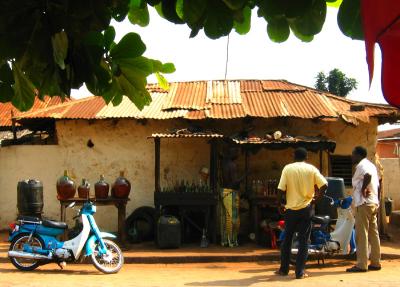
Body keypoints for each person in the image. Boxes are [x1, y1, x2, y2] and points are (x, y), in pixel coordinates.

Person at [276, 147, 327, 279]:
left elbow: (281, 189)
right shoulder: (312, 169)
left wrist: (279, 204)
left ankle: (284, 270)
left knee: (287, 239)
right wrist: (317, 199)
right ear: (307, 157)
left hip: (291, 210)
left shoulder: (288, 168)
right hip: (306, 209)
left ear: (294, 156)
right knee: (304, 241)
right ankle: (300, 272)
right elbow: (324, 185)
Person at [346, 146, 381, 272]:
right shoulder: (371, 165)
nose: (352, 156)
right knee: (373, 233)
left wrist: (363, 189)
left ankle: (362, 264)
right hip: (373, 203)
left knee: (362, 235)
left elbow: (367, 176)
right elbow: (377, 182)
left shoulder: (362, 165)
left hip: (364, 203)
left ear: (359, 155)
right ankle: (376, 262)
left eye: (353, 154)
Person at [220, 147, 246, 247]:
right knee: (233, 219)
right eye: (236, 152)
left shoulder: (224, 164)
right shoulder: (232, 165)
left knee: (225, 218)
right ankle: (232, 241)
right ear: (232, 154)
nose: (238, 154)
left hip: (224, 192)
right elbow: (234, 182)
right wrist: (245, 175)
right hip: (231, 193)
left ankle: (225, 241)